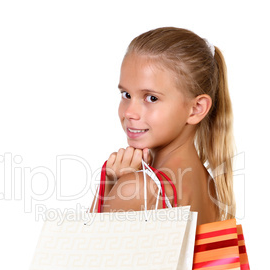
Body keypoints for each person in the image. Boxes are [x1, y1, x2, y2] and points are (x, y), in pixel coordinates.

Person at [93, 27, 235, 225]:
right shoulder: (209, 185)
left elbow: (88, 253)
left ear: (196, 109)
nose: (129, 112)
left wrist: (113, 185)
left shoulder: (137, 189)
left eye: (151, 98)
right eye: (126, 95)